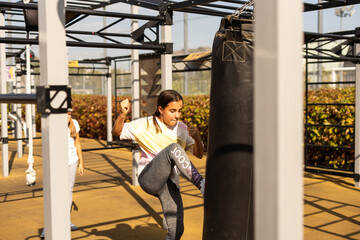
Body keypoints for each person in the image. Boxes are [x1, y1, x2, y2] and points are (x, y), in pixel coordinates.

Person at [112, 90, 205, 240]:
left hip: (169, 183)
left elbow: (199, 154)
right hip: (149, 178)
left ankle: (202, 185)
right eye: (172, 111)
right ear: (160, 109)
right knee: (173, 149)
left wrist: (197, 138)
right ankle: (202, 184)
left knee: (176, 231)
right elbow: (117, 132)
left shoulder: (181, 128)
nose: (177, 115)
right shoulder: (145, 123)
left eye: (180, 111)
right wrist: (123, 114)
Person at [40, 111, 84, 238]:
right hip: (57, 162)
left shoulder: (74, 124)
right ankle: (48, 227)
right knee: (55, 193)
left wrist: (81, 162)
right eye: (65, 113)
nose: (67, 116)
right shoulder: (52, 124)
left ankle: (66, 221)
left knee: (68, 190)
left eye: (69, 114)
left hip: (72, 160)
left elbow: (77, 143)